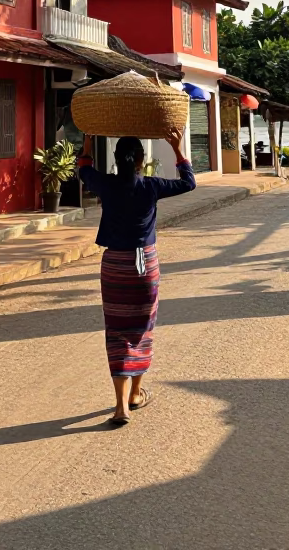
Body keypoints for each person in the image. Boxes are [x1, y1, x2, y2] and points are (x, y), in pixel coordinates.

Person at [77, 129, 195, 426]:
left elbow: (84, 170)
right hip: (145, 265)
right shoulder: (151, 186)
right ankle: (136, 393)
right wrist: (177, 149)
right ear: (142, 161)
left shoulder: (105, 184)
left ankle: (120, 406)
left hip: (114, 265)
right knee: (142, 329)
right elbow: (188, 182)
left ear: (116, 160)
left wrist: (88, 142)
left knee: (116, 329)